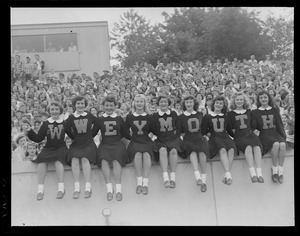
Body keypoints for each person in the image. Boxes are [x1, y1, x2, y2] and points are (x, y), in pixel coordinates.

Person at [25, 101, 73, 200]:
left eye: (56, 109)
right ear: (49, 111)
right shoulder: (46, 123)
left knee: (58, 161)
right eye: (52, 109)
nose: (54, 111)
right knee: (41, 161)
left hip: (61, 147)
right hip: (48, 147)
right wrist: (30, 131)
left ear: (60, 110)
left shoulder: (65, 123)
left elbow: (72, 136)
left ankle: (61, 188)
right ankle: (40, 190)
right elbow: (39, 138)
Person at [92, 95, 129, 201]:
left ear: (115, 106)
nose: (109, 108)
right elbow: (92, 133)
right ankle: (109, 189)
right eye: (107, 105)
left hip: (117, 143)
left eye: (111, 106)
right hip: (105, 144)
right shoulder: (100, 119)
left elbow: (125, 133)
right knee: (104, 160)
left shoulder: (119, 118)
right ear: (103, 106)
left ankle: (118, 189)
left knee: (117, 161)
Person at [65, 96, 97, 199]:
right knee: (74, 158)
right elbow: (67, 129)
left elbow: (98, 124)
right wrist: (73, 137)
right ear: (74, 105)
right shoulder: (71, 118)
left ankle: (88, 186)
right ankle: (77, 187)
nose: (80, 105)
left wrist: (91, 134)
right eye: (78, 104)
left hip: (88, 143)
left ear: (85, 104)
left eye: (82, 103)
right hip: (77, 143)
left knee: (84, 158)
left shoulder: (89, 115)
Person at [227, 92, 264, 183]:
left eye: (241, 99)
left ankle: (259, 173)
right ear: (234, 101)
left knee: (257, 148)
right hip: (239, 136)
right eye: (237, 100)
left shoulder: (249, 112)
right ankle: (252, 173)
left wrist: (250, 130)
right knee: (248, 148)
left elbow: (253, 124)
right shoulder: (230, 114)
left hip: (250, 134)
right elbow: (229, 128)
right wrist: (234, 135)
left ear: (244, 101)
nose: (239, 101)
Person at [251, 91, 286, 184]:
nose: (263, 99)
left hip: (274, 133)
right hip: (264, 134)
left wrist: (283, 136)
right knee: (275, 145)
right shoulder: (255, 112)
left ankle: (281, 171)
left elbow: (279, 125)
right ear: (258, 100)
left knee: (282, 145)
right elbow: (253, 126)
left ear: (268, 98)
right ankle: (274, 170)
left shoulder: (274, 110)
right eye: (261, 98)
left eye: (265, 97)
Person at [177, 96, 209, 192]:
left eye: (191, 102)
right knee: (192, 151)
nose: (189, 104)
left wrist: (206, 135)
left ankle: (204, 181)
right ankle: (197, 176)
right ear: (184, 104)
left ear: (194, 104)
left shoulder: (200, 114)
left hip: (199, 138)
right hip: (188, 139)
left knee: (202, 153)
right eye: (187, 102)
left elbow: (204, 128)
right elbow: (179, 131)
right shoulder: (181, 117)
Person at [202, 95, 236, 185]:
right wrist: (207, 135)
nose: (218, 105)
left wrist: (237, 135)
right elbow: (203, 131)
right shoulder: (207, 117)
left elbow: (229, 130)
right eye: (217, 103)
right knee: (223, 150)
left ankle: (226, 175)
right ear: (213, 104)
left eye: (221, 103)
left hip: (225, 136)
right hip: (214, 137)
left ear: (223, 106)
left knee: (232, 149)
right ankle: (228, 175)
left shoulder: (226, 116)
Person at [124, 94, 154, 195]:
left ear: (144, 103)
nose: (139, 103)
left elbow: (154, 130)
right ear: (134, 103)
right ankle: (139, 183)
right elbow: (125, 130)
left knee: (146, 155)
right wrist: (131, 138)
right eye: (137, 101)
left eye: (141, 101)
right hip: (135, 141)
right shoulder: (130, 117)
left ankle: (145, 183)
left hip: (146, 141)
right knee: (137, 155)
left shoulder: (149, 117)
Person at [151, 95, 182, 188]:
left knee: (173, 151)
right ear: (158, 104)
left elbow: (178, 127)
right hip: (161, 139)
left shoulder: (173, 114)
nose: (163, 103)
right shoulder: (155, 116)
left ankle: (172, 177)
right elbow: (153, 129)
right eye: (161, 102)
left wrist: (176, 137)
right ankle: (165, 178)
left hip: (172, 139)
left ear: (168, 103)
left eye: (165, 102)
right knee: (162, 151)